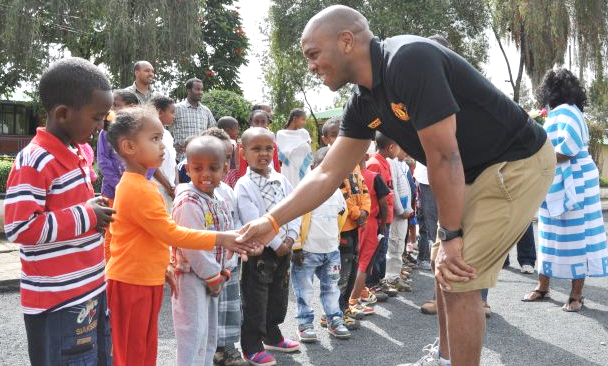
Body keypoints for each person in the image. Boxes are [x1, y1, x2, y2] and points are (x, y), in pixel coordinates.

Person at [236, 6, 555, 366]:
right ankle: (444, 359)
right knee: (443, 266)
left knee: (460, 273)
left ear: (346, 41)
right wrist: (271, 221)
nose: (310, 66)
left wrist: (451, 235)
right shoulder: (363, 100)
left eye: (313, 54)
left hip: (514, 162)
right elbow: (326, 174)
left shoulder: (408, 60)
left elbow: (444, 156)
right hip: (471, 170)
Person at [104, 105, 254, 366]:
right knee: (130, 352)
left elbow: (141, 237)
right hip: (130, 283)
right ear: (128, 147)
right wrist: (221, 238)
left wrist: (164, 266)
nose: (163, 145)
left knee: (143, 348)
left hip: (143, 279)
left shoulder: (144, 185)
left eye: (162, 137)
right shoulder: (135, 188)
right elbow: (171, 233)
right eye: (155, 138)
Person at [3, 57, 115, 365]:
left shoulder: (76, 151)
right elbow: (19, 227)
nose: (99, 126)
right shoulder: (35, 160)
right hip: (59, 302)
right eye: (97, 117)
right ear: (63, 114)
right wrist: (88, 215)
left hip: (90, 288)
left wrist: (94, 213)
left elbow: (72, 211)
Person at [522, 68, 608, 312]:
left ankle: (576, 295)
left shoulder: (568, 112)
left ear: (551, 90)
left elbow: (567, 150)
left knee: (577, 239)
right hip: (557, 180)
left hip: (576, 184)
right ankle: (542, 286)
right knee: (549, 235)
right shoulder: (559, 112)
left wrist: (534, 157)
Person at [235, 127, 301, 366]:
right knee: (255, 298)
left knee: (278, 295)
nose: (263, 154)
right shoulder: (243, 185)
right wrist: (276, 242)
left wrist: (291, 237)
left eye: (268, 148)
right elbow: (252, 218)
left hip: (284, 248)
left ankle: (272, 335)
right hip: (260, 252)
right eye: (256, 149)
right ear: (243, 153)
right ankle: (251, 346)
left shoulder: (281, 179)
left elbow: (294, 207)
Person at [170, 135, 234, 366]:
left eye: (213, 168)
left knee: (208, 334)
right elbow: (191, 245)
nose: (205, 174)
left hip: (212, 276)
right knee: (192, 334)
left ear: (225, 168)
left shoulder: (218, 198)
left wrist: (224, 269)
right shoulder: (188, 200)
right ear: (188, 168)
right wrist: (213, 275)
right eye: (197, 168)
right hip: (191, 277)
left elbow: (226, 235)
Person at [291, 146, 351, 342]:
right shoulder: (304, 189)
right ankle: (305, 324)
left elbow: (342, 214)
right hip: (307, 252)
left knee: (332, 288)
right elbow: (294, 219)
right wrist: (297, 247)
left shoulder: (337, 192)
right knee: (304, 291)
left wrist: (335, 239)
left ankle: (334, 319)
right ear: (313, 166)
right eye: (324, 165)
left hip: (331, 251)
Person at [200, 128, 248, 366]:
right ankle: (207, 353)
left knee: (229, 309)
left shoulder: (228, 191)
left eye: (228, 157)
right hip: (206, 265)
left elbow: (236, 220)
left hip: (229, 263)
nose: (226, 163)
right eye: (220, 158)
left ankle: (226, 349)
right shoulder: (195, 193)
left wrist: (241, 242)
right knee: (207, 312)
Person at [321, 117, 371, 326]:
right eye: (333, 135)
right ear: (325, 139)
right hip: (342, 227)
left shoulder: (354, 161)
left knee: (351, 268)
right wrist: (355, 213)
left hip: (356, 225)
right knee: (339, 272)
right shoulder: (330, 163)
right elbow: (340, 193)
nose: (338, 139)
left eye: (340, 134)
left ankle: (344, 307)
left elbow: (363, 188)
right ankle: (332, 314)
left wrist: (365, 211)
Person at [348, 154, 390, 315]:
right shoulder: (374, 177)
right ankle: (353, 300)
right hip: (369, 222)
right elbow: (383, 204)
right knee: (365, 263)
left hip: (353, 222)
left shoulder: (349, 176)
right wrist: (384, 224)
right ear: (365, 155)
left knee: (354, 262)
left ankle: (359, 292)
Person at [366, 132, 398, 295]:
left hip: (388, 215)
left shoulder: (385, 162)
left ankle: (379, 280)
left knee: (382, 250)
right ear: (391, 147)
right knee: (376, 251)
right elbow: (372, 195)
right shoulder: (374, 164)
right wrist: (379, 219)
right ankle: (370, 284)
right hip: (379, 217)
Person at [387, 147, 414, 290]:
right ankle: (391, 277)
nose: (406, 152)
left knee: (398, 245)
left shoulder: (398, 163)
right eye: (402, 148)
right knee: (395, 244)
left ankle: (394, 275)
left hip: (404, 212)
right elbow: (394, 190)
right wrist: (401, 210)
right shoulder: (391, 163)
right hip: (399, 214)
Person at [173, 78, 217, 161]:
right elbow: (163, 128)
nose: (200, 92)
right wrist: (172, 145)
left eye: (201, 90)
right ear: (188, 90)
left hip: (201, 158)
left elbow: (214, 131)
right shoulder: (177, 108)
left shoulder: (206, 110)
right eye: (197, 89)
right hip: (181, 158)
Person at [150, 95, 178, 213]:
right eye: (172, 112)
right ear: (160, 112)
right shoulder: (150, 134)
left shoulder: (167, 134)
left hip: (171, 188)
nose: (174, 116)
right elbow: (152, 164)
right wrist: (167, 186)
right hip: (158, 186)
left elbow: (173, 162)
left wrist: (176, 185)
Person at [237, 109, 282, 178]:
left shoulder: (272, 143)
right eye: (256, 121)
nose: (259, 125)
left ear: (268, 123)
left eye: (263, 122)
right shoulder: (245, 143)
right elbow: (242, 167)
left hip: (271, 178)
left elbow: (276, 164)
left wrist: (279, 177)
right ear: (251, 122)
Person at [276, 108, 313, 188]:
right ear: (295, 118)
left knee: (305, 190)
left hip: (304, 167)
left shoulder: (304, 133)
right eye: (303, 119)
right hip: (289, 168)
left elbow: (308, 151)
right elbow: (280, 154)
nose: (304, 122)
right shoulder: (281, 134)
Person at [217, 116, 241, 188]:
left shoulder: (215, 142)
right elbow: (237, 162)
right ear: (227, 130)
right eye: (236, 129)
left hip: (221, 172)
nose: (238, 131)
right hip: (232, 172)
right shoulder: (233, 143)